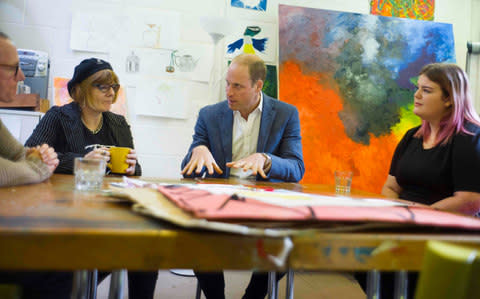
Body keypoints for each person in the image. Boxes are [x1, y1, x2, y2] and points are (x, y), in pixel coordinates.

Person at [25, 57, 158, 298]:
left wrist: (131, 167)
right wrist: (82, 161)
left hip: (108, 209)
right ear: (80, 89)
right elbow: (31, 155)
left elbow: (133, 167)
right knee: (65, 276)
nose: (111, 93)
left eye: (114, 87)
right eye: (102, 86)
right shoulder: (58, 116)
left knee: (147, 246)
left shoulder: (117, 123)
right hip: (65, 210)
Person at [181, 53, 305, 299]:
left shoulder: (286, 114)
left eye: (237, 86)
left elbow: (296, 167)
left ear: (258, 86)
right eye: (227, 83)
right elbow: (187, 166)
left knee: (288, 244)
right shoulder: (209, 114)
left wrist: (267, 160)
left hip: (265, 205)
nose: (229, 92)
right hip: (220, 204)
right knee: (194, 240)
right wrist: (198, 149)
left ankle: (253, 296)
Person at [356, 63, 480, 298]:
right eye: (417, 88)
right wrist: (400, 214)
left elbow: (471, 201)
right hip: (406, 226)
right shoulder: (411, 137)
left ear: (449, 99)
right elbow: (391, 186)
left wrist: (419, 217)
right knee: (360, 254)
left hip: (444, 234)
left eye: (427, 90)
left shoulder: (469, 138)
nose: (417, 95)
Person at [0, 31, 74, 299]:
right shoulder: (59, 114)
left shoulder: (117, 122)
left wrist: (36, 158)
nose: (21, 77)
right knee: (56, 263)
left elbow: (20, 154)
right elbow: (10, 168)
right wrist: (37, 166)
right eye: (13, 68)